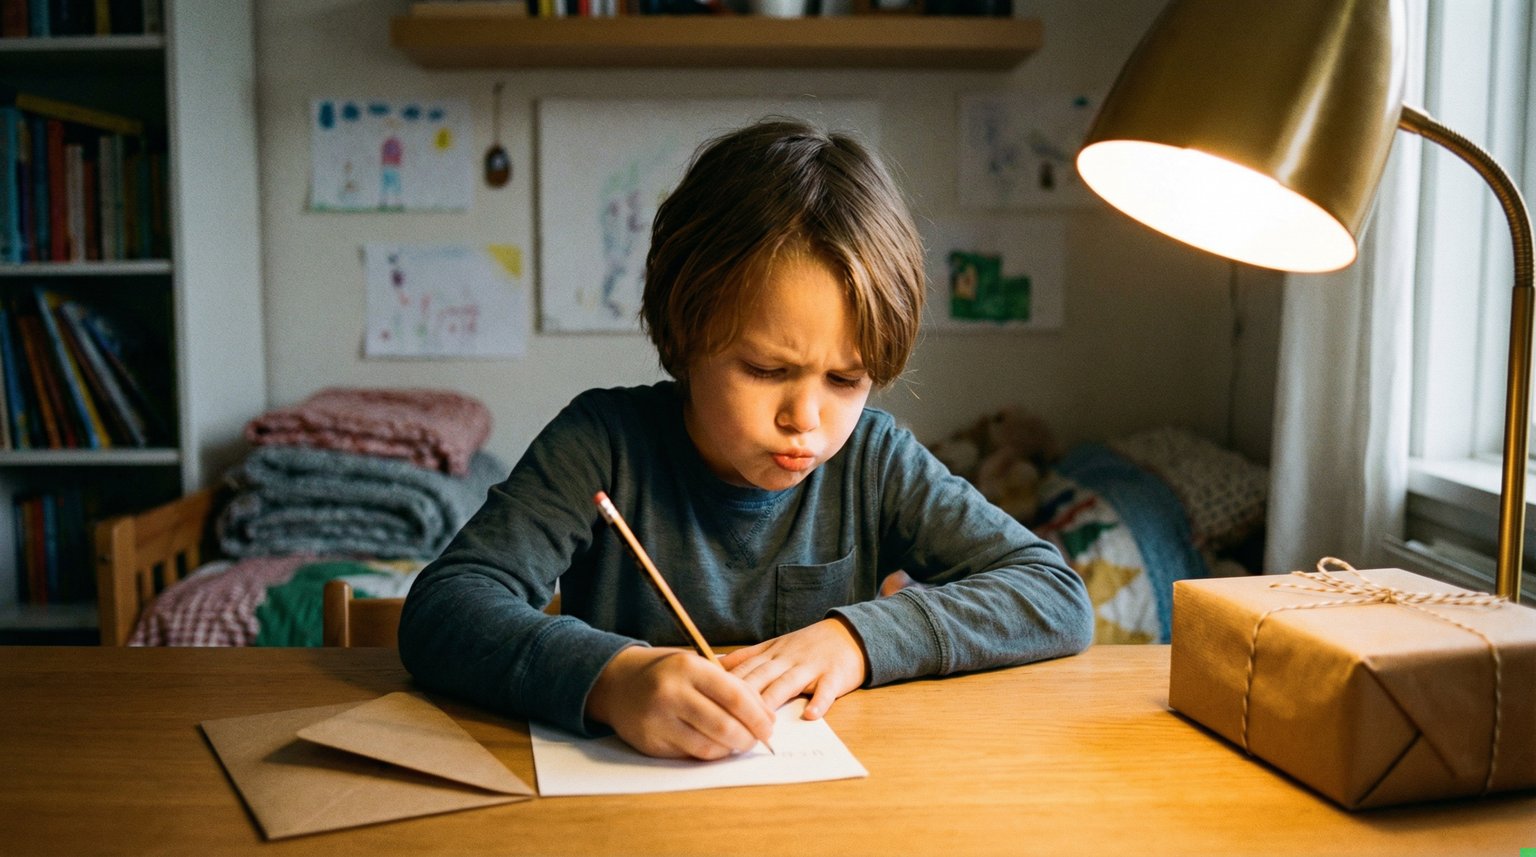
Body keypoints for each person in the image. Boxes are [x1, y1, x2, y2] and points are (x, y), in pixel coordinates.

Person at [398, 117, 1094, 761]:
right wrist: (612, 678)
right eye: (766, 369)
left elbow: (1053, 592)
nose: (807, 418)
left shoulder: (873, 459)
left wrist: (858, 638)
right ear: (685, 334)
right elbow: (446, 607)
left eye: (846, 379)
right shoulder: (601, 444)